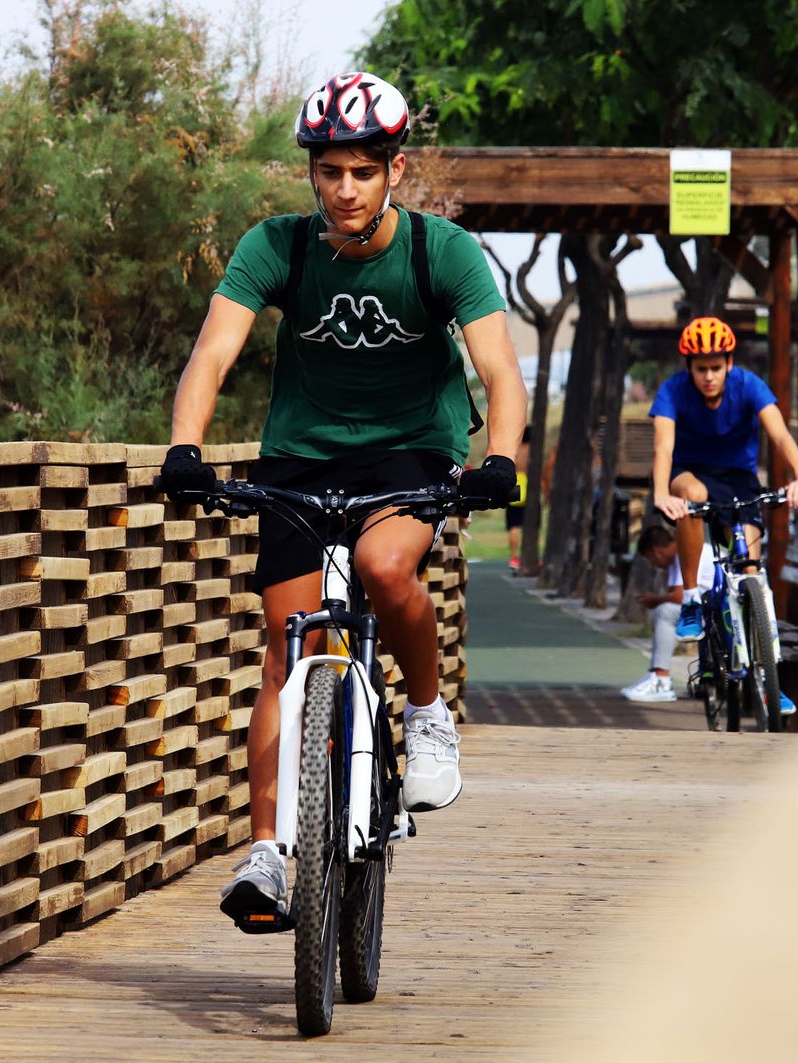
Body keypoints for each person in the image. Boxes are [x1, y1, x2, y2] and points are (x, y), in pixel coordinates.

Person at [156, 72, 527, 927]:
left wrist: (498, 458)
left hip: (410, 450)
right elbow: (213, 353)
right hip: (301, 455)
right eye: (331, 172)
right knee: (288, 655)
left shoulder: (442, 253)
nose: (346, 188)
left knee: (381, 564)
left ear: (392, 171)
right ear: (312, 176)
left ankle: (427, 714)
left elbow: (500, 370)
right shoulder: (277, 247)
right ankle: (267, 855)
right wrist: (186, 447)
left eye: (364, 171)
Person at [646, 315, 798, 715]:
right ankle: (691, 599)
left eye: (716, 368)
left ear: (729, 364)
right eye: (701, 368)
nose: (708, 376)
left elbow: (779, 434)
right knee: (691, 494)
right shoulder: (672, 391)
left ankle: (769, 675)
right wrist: (658, 492)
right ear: (689, 367)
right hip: (691, 474)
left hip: (739, 480)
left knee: (752, 574)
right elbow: (663, 448)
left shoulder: (749, 386)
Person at [619, 522, 713, 702]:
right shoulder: (676, 561)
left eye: (650, 560)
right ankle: (656, 674)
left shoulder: (685, 553)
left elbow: (678, 596)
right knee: (664, 611)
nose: (655, 565)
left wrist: (655, 600)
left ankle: (661, 678)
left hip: (712, 610)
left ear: (656, 552)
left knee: (664, 612)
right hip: (708, 606)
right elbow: (675, 593)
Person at [505, 426, 532, 573]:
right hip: (530, 488)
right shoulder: (534, 450)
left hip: (514, 486)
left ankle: (514, 557)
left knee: (514, 525)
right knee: (532, 525)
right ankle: (530, 556)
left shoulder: (514, 450)